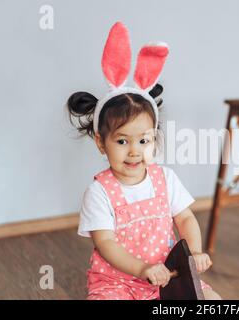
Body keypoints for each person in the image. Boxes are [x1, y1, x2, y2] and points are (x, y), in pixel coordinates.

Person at [66, 21, 222, 300]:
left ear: (153, 139)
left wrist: (195, 252)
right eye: (122, 141)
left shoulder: (165, 179)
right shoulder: (100, 192)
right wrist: (142, 269)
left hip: (169, 278)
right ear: (101, 142)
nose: (134, 151)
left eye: (143, 141)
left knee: (214, 302)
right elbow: (105, 243)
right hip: (118, 283)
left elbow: (185, 218)